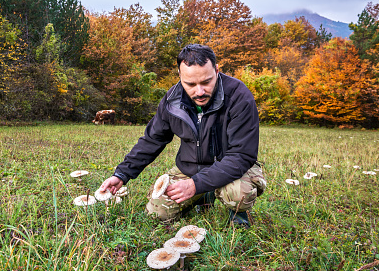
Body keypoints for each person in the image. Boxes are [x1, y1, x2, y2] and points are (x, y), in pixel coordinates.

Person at [99, 44, 266, 227]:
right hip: (191, 168)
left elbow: (242, 155)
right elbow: (152, 139)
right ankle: (204, 196)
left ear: (217, 71)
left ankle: (237, 212)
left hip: (231, 166)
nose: (199, 92)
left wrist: (196, 184)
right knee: (157, 213)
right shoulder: (172, 101)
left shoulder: (239, 97)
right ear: (180, 75)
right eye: (191, 84)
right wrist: (122, 174)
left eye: (206, 82)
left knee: (238, 194)